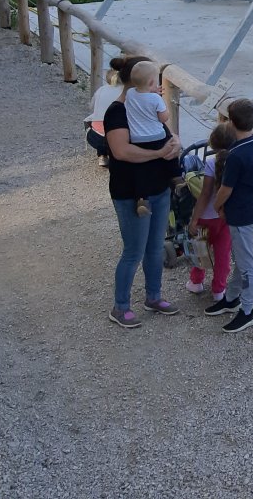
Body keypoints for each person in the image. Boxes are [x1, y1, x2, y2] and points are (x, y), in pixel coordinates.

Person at [103, 56, 182, 328]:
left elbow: (166, 132)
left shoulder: (148, 103)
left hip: (158, 187)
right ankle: (120, 307)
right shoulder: (117, 112)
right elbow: (121, 151)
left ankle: (154, 296)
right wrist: (159, 153)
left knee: (155, 246)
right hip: (131, 192)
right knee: (133, 251)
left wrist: (175, 142)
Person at [208, 97, 253, 333]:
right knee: (241, 259)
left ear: (231, 122)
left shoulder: (235, 155)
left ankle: (248, 310)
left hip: (240, 216)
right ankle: (231, 298)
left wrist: (217, 206)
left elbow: (225, 189)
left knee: (246, 264)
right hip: (250, 209)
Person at [186, 122, 235, 306]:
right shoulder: (235, 161)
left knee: (201, 251)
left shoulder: (211, 163)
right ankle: (219, 290)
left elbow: (205, 194)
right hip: (225, 218)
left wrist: (194, 219)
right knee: (223, 256)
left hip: (205, 218)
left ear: (212, 144)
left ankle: (196, 282)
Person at [124, 61, 176, 217]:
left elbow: (139, 97)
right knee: (170, 150)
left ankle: (142, 200)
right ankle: (177, 177)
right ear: (152, 82)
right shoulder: (155, 99)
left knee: (141, 169)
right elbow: (163, 118)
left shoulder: (130, 93)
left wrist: (150, 90)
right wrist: (160, 102)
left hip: (137, 138)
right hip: (156, 136)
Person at [85, 54, 150, 169]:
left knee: (92, 120)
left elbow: (91, 107)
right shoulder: (131, 93)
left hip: (96, 137)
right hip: (119, 141)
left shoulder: (101, 90)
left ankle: (102, 155)